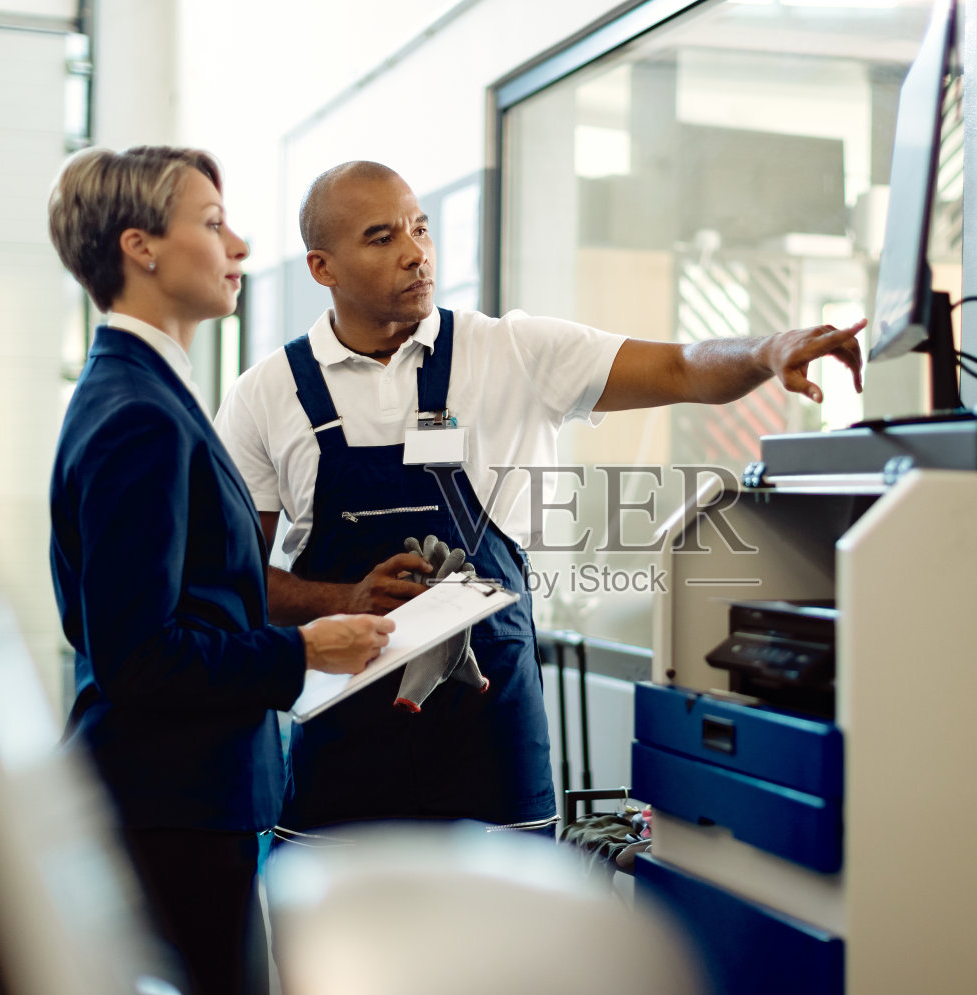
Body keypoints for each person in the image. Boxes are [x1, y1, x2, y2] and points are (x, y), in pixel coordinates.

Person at [214, 160, 863, 834]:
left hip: (491, 745)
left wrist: (767, 350)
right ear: (324, 268)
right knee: (337, 941)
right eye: (382, 238)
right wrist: (340, 600)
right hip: (342, 758)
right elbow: (230, 578)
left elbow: (679, 365)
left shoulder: (513, 353)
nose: (415, 253)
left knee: (516, 940)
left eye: (421, 229)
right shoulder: (266, 394)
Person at [46, 146, 394, 995]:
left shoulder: (149, 393)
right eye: (211, 221)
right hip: (168, 809)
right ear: (141, 248)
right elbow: (140, 655)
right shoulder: (139, 415)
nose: (238, 242)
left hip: (186, 800)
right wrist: (301, 648)